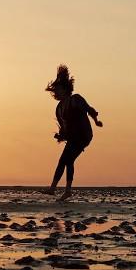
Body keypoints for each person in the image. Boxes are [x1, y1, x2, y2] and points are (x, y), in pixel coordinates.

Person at [43, 64, 103, 200]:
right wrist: (60, 136)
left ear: (65, 89)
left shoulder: (76, 99)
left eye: (58, 89)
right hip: (72, 137)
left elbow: (89, 109)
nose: (55, 92)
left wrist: (96, 121)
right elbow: (64, 128)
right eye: (55, 90)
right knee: (63, 160)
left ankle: (67, 190)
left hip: (83, 135)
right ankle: (53, 188)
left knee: (68, 159)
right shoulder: (58, 108)